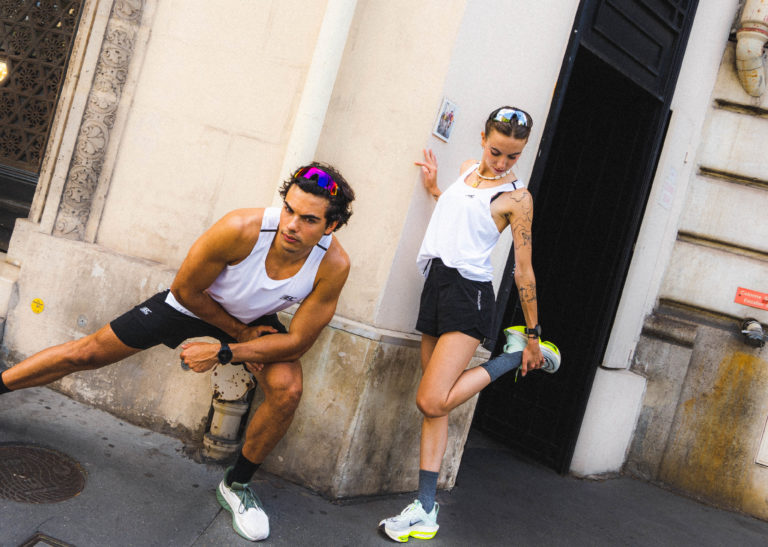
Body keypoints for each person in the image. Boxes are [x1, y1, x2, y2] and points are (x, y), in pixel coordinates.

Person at [0, 163, 354, 542]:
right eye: (289, 209)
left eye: (308, 219)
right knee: (87, 354)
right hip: (192, 306)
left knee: (288, 390)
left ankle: (236, 485)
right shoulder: (241, 229)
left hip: (253, 322)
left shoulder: (333, 265)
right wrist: (238, 335)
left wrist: (225, 351)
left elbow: (298, 342)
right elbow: (185, 290)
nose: (291, 225)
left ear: (330, 226)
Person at [379, 107, 548, 543]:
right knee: (436, 407)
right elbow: (460, 219)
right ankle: (425, 509)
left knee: (430, 399)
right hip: (436, 285)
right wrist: (436, 189)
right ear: (483, 139)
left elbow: (524, 270)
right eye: (497, 151)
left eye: (513, 156)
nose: (502, 162)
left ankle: (511, 357)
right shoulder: (467, 170)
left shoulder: (517, 199)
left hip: (470, 295)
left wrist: (533, 334)